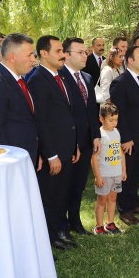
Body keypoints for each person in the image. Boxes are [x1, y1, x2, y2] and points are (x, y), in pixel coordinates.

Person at [27, 35, 81, 251]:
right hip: (54, 153)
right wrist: (51, 155)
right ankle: (48, 239)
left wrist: (75, 145)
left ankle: (60, 231)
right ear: (44, 53)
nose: (63, 55)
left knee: (62, 194)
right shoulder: (37, 80)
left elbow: (68, 114)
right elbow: (41, 121)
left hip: (67, 148)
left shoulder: (62, 76)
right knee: (49, 197)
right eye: (58, 51)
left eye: (63, 51)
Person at [109, 45, 139, 225]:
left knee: (137, 173)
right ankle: (124, 209)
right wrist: (126, 138)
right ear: (130, 60)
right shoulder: (120, 83)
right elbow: (118, 114)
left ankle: (134, 203)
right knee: (126, 174)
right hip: (129, 137)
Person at [60, 37, 101, 235]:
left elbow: (91, 110)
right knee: (65, 185)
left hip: (86, 141)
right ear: (66, 55)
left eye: (86, 52)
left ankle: (75, 221)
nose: (85, 55)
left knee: (79, 185)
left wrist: (96, 135)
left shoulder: (87, 78)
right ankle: (61, 224)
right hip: (68, 142)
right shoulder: (59, 78)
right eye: (80, 52)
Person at [0, 33, 40, 166]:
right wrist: (8, 162)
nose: (33, 60)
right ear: (12, 57)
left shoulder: (20, 79)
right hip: (12, 159)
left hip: (28, 154)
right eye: (29, 55)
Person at [92, 103, 126, 235]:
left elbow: (121, 153)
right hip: (104, 175)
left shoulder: (116, 132)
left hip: (116, 174)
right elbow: (94, 158)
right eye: (111, 120)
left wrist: (123, 170)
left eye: (116, 120)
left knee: (112, 199)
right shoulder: (100, 135)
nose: (114, 123)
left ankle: (110, 224)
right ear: (101, 119)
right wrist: (98, 176)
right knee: (102, 201)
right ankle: (99, 226)